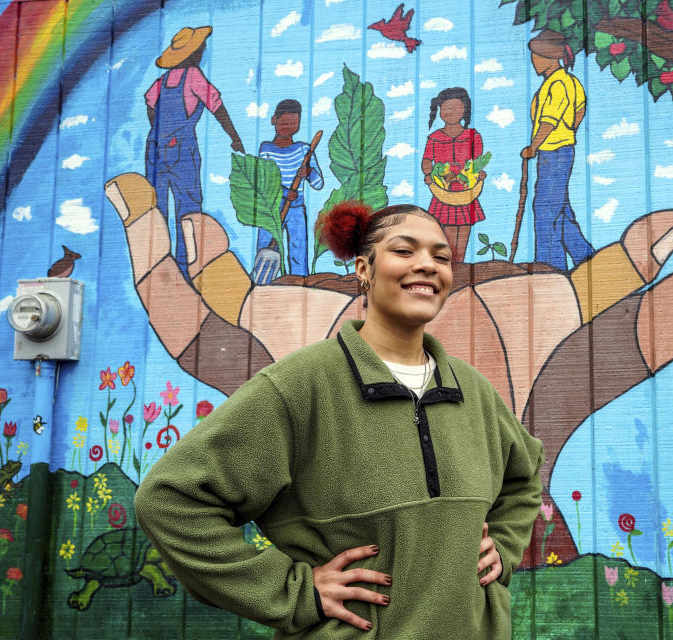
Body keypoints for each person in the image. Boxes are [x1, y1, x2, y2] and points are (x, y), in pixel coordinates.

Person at [133, 200, 545, 638]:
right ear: (363, 269)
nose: (427, 265)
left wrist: (504, 545)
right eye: (404, 251)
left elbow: (524, 478)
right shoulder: (299, 385)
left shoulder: (472, 389)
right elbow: (169, 500)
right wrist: (294, 592)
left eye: (440, 257)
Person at [145, 26, 244, 278]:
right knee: (187, 209)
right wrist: (234, 137)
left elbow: (150, 106)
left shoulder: (162, 81)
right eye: (201, 49)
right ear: (195, 53)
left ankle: (159, 266)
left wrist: (160, 134)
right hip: (182, 150)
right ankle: (184, 268)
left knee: (158, 209)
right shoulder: (193, 76)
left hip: (155, 149)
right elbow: (217, 106)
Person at [522, 30, 594, 271]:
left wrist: (533, 147)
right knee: (559, 211)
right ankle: (586, 258)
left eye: (535, 56)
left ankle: (550, 269)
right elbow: (580, 110)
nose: (533, 60)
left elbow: (548, 122)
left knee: (544, 210)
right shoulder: (569, 82)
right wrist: (570, 129)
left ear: (548, 56)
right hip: (558, 152)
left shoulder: (558, 83)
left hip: (553, 153)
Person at [254, 99, 324, 280]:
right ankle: (263, 283)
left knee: (298, 247)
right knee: (265, 244)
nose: (288, 127)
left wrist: (309, 172)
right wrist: (285, 193)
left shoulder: (303, 150)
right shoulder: (266, 150)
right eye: (284, 123)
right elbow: (264, 180)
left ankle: (300, 282)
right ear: (273, 120)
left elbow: (318, 184)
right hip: (271, 207)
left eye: (293, 123)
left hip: (295, 208)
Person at [421, 87, 486, 262]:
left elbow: (476, 163)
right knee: (448, 232)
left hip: (466, 190)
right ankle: (451, 267)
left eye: (456, 109)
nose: (451, 113)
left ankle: (460, 267)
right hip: (444, 191)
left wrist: (479, 174)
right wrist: (429, 175)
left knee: (464, 229)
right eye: (446, 109)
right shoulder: (435, 138)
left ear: (465, 110)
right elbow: (426, 161)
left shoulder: (473, 136)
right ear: (439, 111)